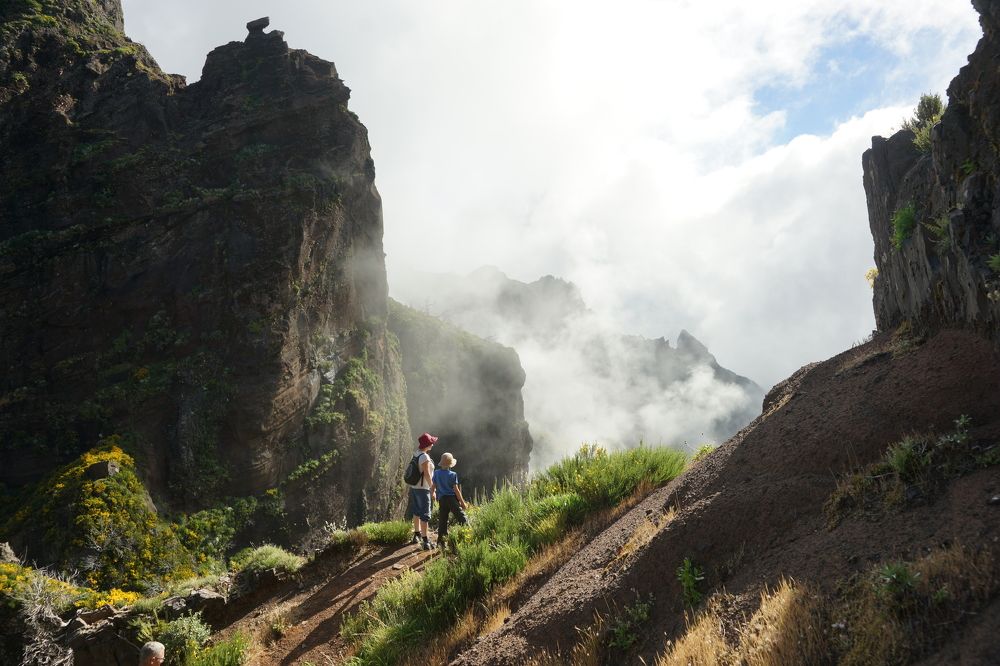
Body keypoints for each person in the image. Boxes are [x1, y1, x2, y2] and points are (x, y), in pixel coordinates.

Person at [431, 452, 468, 549]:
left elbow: (433, 486)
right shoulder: (453, 474)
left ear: (441, 463)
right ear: (450, 464)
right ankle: (468, 533)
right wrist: (463, 503)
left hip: (442, 499)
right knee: (461, 516)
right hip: (451, 499)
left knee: (443, 520)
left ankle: (441, 542)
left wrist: (433, 494)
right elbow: (456, 490)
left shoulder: (436, 473)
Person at [408, 432, 437, 550]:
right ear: (427, 444)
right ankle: (426, 541)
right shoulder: (425, 457)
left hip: (414, 487)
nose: (433, 444)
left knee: (416, 511)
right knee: (425, 514)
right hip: (423, 489)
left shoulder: (417, 453)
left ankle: (417, 535)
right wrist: (432, 489)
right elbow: (427, 475)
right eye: (431, 442)